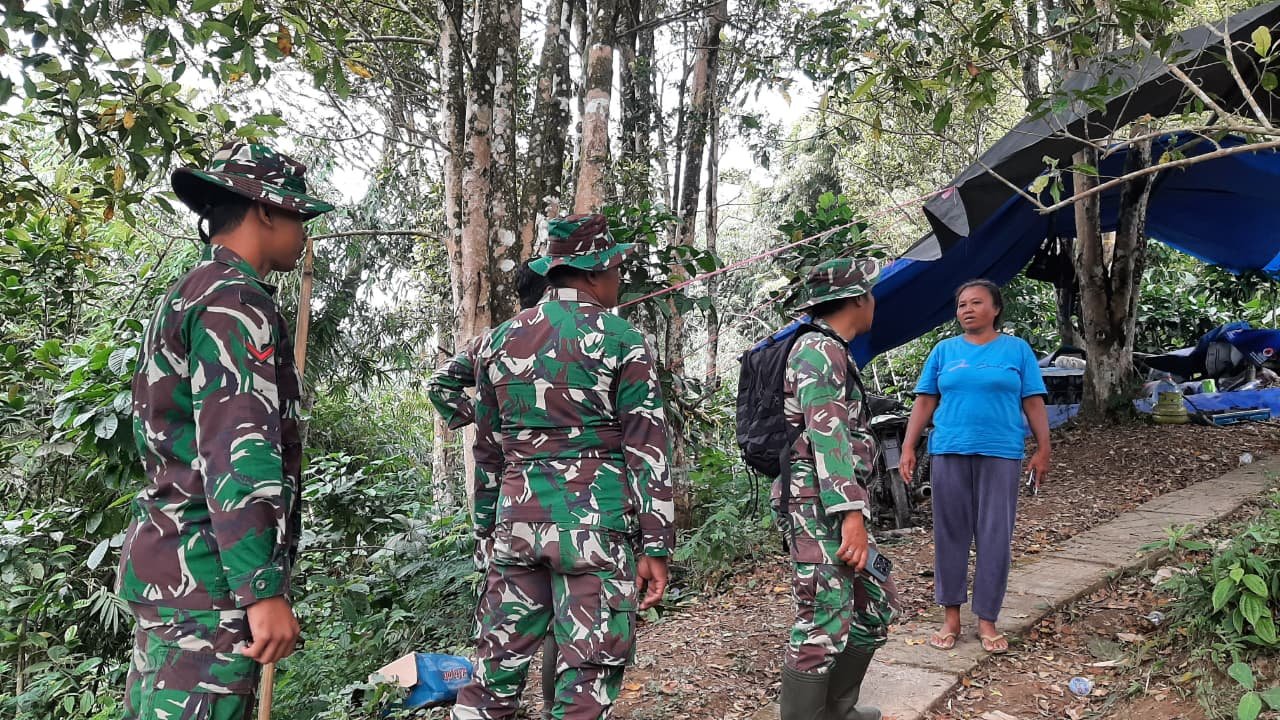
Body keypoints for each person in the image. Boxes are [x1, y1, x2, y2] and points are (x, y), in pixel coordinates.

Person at [117, 142, 334, 718]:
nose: (304, 230)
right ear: (264, 211)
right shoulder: (235, 301)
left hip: (175, 571)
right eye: (297, 214)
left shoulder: (190, 291)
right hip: (207, 584)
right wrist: (262, 590)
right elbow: (237, 450)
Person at [451, 213, 674, 720]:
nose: (620, 279)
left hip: (515, 525)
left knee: (493, 676)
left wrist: (487, 529)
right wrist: (656, 545)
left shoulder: (497, 340)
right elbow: (647, 448)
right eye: (617, 269)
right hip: (594, 530)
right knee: (587, 679)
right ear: (595, 273)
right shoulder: (623, 340)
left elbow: (488, 449)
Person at [426, 261, 557, 717]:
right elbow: (441, 383)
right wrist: (480, 410)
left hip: (514, 501)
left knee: (526, 617)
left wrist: (480, 410)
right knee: (533, 615)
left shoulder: (499, 340)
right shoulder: (501, 340)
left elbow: (440, 382)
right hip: (521, 496)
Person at [899, 279, 1051, 654]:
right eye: (962, 304)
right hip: (949, 450)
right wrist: (908, 446)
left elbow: (1033, 402)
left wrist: (1043, 448)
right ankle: (950, 617)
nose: (966, 309)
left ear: (996, 309)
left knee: (994, 535)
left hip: (1001, 452)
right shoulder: (944, 351)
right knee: (950, 534)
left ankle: (987, 619)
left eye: (976, 302)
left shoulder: (1016, 351)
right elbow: (924, 401)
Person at [777, 257, 900, 720]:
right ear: (857, 299)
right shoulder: (816, 350)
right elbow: (828, 435)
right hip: (820, 508)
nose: (875, 302)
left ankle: (835, 710)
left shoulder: (833, 349)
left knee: (875, 604)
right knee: (822, 621)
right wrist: (851, 514)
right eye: (871, 293)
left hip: (837, 505)